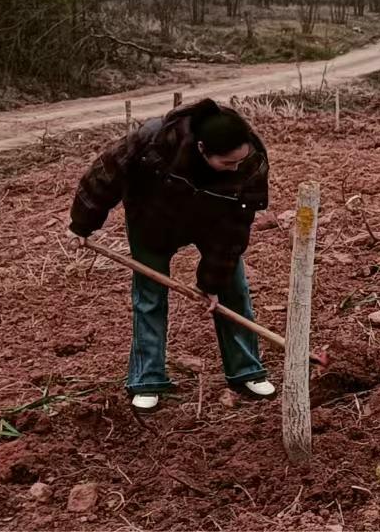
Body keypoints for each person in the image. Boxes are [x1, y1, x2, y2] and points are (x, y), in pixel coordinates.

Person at [64, 98, 274, 411]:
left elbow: (235, 228)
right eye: (227, 163)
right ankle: (147, 380)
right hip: (153, 221)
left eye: (239, 161)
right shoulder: (153, 140)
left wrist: (211, 283)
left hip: (214, 223)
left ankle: (246, 370)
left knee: (234, 289)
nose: (236, 167)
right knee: (149, 297)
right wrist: (82, 224)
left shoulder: (251, 163)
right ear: (202, 149)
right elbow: (104, 175)